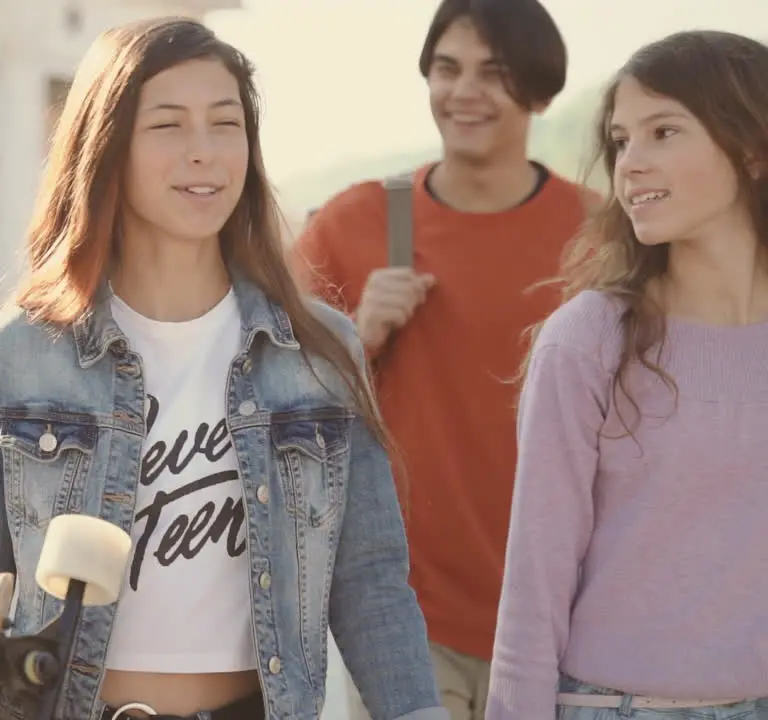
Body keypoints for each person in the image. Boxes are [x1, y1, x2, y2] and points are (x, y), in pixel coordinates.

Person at [0, 15, 447, 720]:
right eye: (168, 125)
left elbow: (371, 586)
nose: (205, 153)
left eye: (225, 124)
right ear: (107, 148)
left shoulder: (319, 354)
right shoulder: (21, 353)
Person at [291, 1, 594, 718]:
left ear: (542, 91)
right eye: (448, 69)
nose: (465, 91)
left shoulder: (600, 234)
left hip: (568, 619)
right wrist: (358, 336)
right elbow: (272, 406)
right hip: (407, 615)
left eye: (494, 73)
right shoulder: (352, 224)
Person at [487, 30, 768, 720]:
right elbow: (535, 585)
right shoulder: (589, 341)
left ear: (754, 149)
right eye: (620, 142)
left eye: (663, 132)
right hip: (615, 708)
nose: (630, 164)